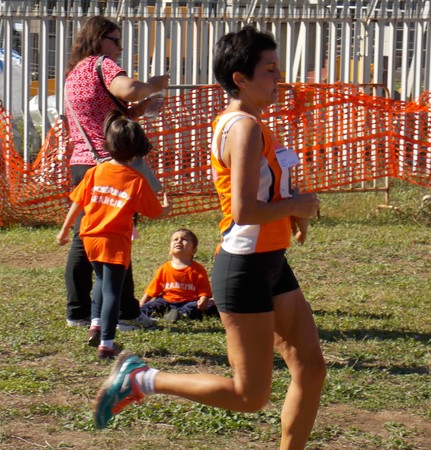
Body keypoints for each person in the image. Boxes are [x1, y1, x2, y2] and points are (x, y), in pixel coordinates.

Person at [93, 25, 326, 449]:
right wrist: (296, 206)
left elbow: (262, 193)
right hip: (246, 268)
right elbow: (243, 211)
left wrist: (292, 206)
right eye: (270, 70)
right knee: (249, 395)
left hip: (271, 261)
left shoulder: (246, 123)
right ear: (240, 77)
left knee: (311, 368)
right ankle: (141, 379)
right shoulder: (244, 128)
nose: (279, 79)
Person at [63, 16, 170, 330]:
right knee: (119, 235)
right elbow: (131, 88)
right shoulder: (102, 65)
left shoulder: (74, 74)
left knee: (84, 238)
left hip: (83, 162)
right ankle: (123, 312)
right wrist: (155, 84)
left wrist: (136, 111)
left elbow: (102, 114)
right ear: (99, 38)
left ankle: (78, 311)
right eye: (115, 39)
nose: (120, 47)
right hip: (112, 165)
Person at [57, 111, 172, 359]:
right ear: (138, 150)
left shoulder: (95, 172)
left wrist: (65, 229)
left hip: (89, 236)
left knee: (100, 280)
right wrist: (166, 208)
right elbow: (155, 213)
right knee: (112, 291)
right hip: (114, 242)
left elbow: (77, 203)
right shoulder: (136, 180)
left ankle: (96, 324)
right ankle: (107, 344)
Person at [139, 228, 218, 322]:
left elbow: (204, 289)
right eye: (175, 239)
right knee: (153, 305)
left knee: (193, 308)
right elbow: (152, 290)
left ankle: (180, 316)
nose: (179, 241)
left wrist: (203, 299)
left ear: (193, 250)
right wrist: (142, 304)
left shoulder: (198, 269)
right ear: (170, 250)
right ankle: (139, 313)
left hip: (188, 301)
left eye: (184, 239)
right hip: (166, 300)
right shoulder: (164, 268)